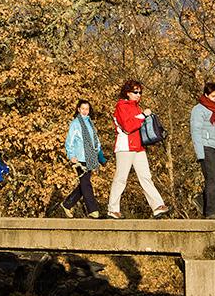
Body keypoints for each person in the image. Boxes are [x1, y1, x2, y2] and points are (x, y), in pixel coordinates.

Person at [107, 79, 169, 219]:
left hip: (138, 147)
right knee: (121, 178)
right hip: (125, 147)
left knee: (146, 177)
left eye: (140, 92)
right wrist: (143, 116)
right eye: (135, 92)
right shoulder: (121, 106)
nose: (138, 95)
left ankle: (157, 206)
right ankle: (112, 209)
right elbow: (128, 127)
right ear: (128, 93)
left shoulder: (136, 107)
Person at [191, 81, 215, 219]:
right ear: (206, 95)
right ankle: (211, 211)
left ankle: (202, 200)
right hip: (206, 147)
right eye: (213, 96)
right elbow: (195, 131)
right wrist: (200, 153)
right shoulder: (198, 109)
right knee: (212, 179)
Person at [61, 99, 105, 218]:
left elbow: (95, 140)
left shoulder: (90, 123)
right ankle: (93, 210)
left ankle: (67, 204)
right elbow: (69, 141)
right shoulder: (75, 123)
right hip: (79, 158)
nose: (85, 111)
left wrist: (99, 153)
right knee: (86, 184)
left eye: (87, 109)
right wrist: (71, 156)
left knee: (83, 184)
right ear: (79, 109)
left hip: (90, 157)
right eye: (83, 109)